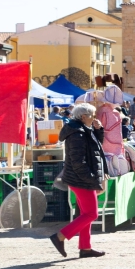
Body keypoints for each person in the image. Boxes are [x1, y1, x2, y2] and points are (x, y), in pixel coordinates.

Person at [51, 103, 108, 258]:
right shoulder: (77, 133)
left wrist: (98, 131)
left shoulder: (82, 130)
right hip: (81, 178)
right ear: (84, 116)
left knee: (85, 214)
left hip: (80, 178)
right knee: (91, 214)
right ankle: (60, 236)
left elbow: (95, 150)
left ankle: (85, 248)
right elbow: (78, 162)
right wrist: (91, 179)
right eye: (92, 115)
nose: (94, 117)